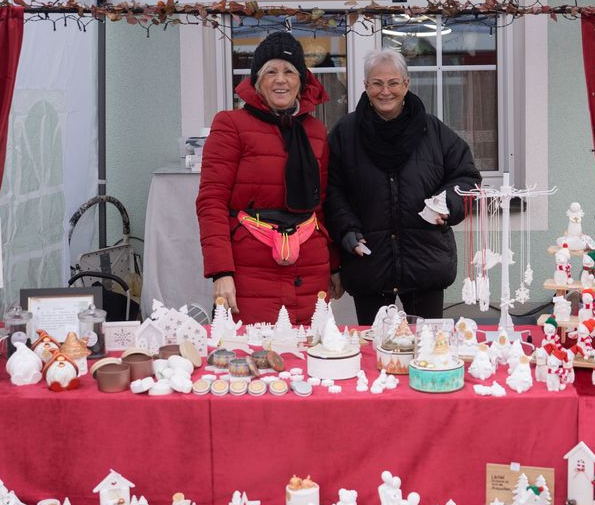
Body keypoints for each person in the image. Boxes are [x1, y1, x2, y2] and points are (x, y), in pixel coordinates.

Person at [325, 48, 480, 323]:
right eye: (377, 83)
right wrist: (346, 230)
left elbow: (467, 178)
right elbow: (331, 190)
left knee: (429, 344)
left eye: (393, 83)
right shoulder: (345, 134)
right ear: (365, 86)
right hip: (369, 262)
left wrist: (447, 203)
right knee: (374, 343)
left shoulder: (434, 132)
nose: (385, 91)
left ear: (406, 84)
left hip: (425, 262)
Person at [196, 31, 338, 324]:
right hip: (250, 269)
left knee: (310, 348)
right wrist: (221, 272)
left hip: (309, 268)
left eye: (289, 71)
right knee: (251, 349)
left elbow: (321, 205)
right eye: (271, 71)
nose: (280, 80)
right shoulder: (230, 124)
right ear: (257, 81)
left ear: (301, 81)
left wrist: (334, 265)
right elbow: (211, 202)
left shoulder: (316, 131)